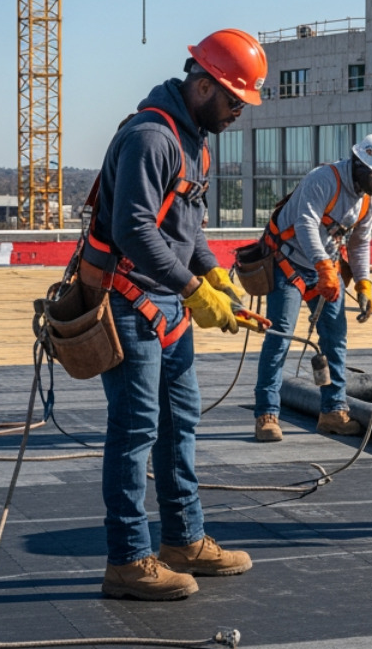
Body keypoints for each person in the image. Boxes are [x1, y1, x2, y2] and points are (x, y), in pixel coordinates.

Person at [82, 29, 266, 601]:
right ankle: (128, 558)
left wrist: (213, 278)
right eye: (235, 99)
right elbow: (134, 231)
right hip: (130, 301)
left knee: (179, 425)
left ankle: (183, 540)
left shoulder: (195, 141)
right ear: (203, 84)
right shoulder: (150, 137)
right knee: (135, 431)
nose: (239, 111)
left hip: (168, 303)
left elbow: (186, 228)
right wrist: (193, 289)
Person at [250, 134, 372, 443]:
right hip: (287, 262)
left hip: (323, 267)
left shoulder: (369, 198)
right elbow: (305, 224)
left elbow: (359, 244)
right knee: (281, 337)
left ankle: (332, 411)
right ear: (359, 164)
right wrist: (323, 266)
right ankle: (266, 414)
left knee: (334, 338)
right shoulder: (323, 179)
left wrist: (364, 283)